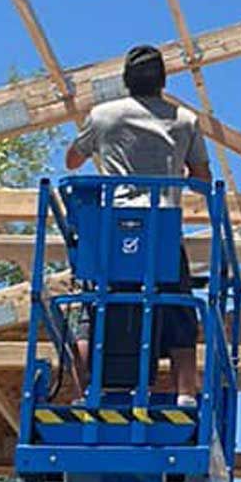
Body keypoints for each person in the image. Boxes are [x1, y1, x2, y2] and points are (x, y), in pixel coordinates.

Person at [63, 45, 212, 404]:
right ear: (163, 81)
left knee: (92, 307)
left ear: (126, 81)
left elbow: (71, 161)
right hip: (161, 226)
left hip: (111, 228)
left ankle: (83, 392)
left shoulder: (104, 115)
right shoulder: (185, 119)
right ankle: (185, 392)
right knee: (178, 306)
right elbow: (203, 178)